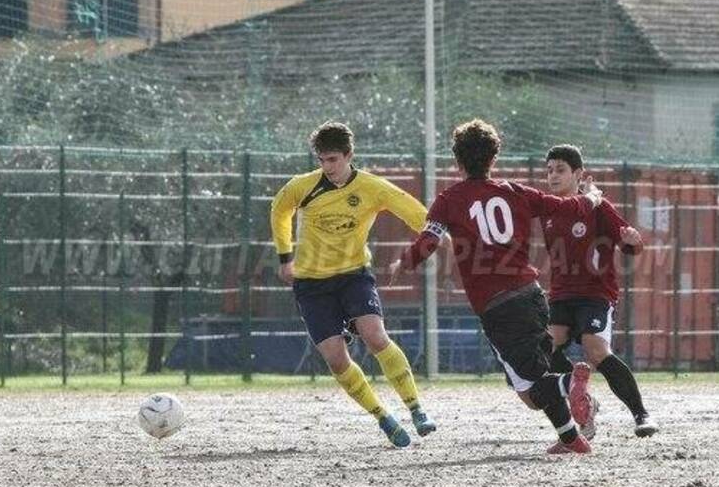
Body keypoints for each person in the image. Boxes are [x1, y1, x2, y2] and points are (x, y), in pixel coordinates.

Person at [391, 119, 600, 454]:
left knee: (533, 391)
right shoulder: (516, 192)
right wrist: (589, 198)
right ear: (494, 159)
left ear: (457, 162)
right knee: (534, 379)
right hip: (532, 295)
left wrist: (404, 262)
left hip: (497, 306)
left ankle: (570, 384)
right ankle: (571, 438)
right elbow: (564, 206)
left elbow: (429, 240)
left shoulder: (449, 199)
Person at [270, 121, 438, 448]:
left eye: (332, 159)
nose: (327, 167)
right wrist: (284, 256)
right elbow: (279, 210)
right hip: (311, 284)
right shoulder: (302, 186)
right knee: (336, 358)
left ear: (349, 155)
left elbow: (420, 216)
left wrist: (426, 244)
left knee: (375, 336)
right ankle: (383, 417)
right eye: (321, 160)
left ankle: (416, 408)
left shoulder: (374, 188)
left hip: (353, 276)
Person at [542, 144, 657, 438]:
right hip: (561, 294)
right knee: (547, 348)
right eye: (550, 170)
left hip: (595, 294)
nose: (553, 176)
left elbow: (630, 245)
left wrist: (633, 239)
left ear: (578, 174)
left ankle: (641, 414)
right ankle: (583, 399)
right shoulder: (548, 210)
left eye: (560, 170)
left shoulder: (598, 207)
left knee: (595, 350)